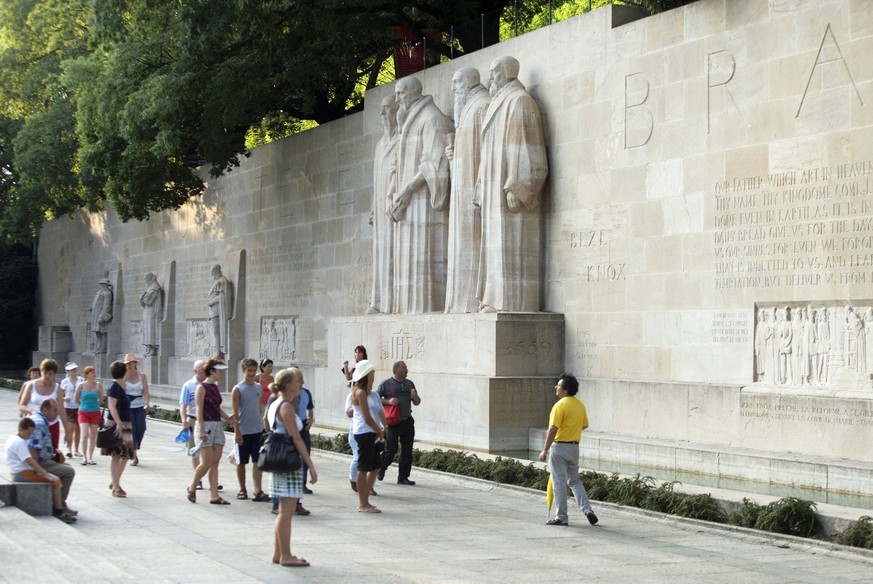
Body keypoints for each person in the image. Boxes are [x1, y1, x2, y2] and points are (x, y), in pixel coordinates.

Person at [477, 56, 549, 313]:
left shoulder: (520, 101)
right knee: (496, 245)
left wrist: (518, 185)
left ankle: (512, 303)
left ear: (507, 73)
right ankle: (496, 299)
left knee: (512, 243)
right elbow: (487, 153)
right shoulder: (499, 104)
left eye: (494, 73)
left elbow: (528, 145)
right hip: (494, 189)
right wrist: (481, 187)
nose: (490, 79)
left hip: (510, 190)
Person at [389, 75, 453, 314]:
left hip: (423, 204)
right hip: (408, 203)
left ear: (415, 93)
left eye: (401, 93)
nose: (397, 99)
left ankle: (424, 309)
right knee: (408, 261)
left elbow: (433, 164)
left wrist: (406, 190)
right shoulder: (409, 122)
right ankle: (406, 311)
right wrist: (393, 194)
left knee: (423, 258)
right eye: (396, 94)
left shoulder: (432, 118)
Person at [445, 66, 490, 314]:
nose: (452, 88)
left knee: (473, 243)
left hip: (474, 194)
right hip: (461, 194)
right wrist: (453, 157)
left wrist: (480, 186)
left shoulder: (482, 105)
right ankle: (461, 302)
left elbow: (489, 150)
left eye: (456, 82)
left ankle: (474, 299)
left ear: (469, 82)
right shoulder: (465, 111)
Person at [266, 367, 317, 567]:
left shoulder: (276, 403)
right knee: (286, 512)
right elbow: (296, 437)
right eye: (297, 381)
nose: (300, 384)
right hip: (287, 460)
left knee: (283, 511)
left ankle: (279, 553)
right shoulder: (285, 406)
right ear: (288, 385)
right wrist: (310, 465)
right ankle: (285, 555)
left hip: (281, 460)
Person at [538, 373, 598, 527]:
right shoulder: (580, 405)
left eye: (558, 385)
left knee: (559, 483)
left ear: (565, 390)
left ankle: (561, 517)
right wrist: (572, 430)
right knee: (575, 481)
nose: (556, 387)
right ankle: (587, 510)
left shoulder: (560, 405)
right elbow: (584, 425)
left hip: (559, 447)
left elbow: (552, 429)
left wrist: (544, 450)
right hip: (574, 448)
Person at [6, 417, 75, 523]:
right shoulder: (19, 442)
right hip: (22, 473)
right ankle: (59, 510)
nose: (29, 436)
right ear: (21, 429)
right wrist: (45, 474)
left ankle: (55, 506)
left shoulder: (14, 438)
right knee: (56, 481)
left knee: (55, 478)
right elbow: (30, 460)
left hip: (21, 471)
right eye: (28, 433)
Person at [367, 96, 400, 315]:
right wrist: (372, 207)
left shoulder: (402, 138)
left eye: (386, 109)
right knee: (379, 255)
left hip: (393, 205)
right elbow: (375, 178)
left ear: (396, 112)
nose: (382, 114)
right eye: (381, 110)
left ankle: (391, 303)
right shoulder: (380, 144)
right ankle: (377, 302)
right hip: (379, 208)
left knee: (391, 254)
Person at [187, 359, 235, 505]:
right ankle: (193, 486)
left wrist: (227, 417)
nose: (222, 373)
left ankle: (214, 495)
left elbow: (215, 407)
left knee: (215, 462)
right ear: (212, 371)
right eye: (219, 370)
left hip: (217, 425)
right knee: (206, 461)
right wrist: (201, 430)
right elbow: (199, 410)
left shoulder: (214, 387)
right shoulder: (201, 388)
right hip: (204, 426)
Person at [27, 399, 77, 517]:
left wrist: (54, 455)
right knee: (69, 472)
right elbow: (33, 449)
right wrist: (39, 471)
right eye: (55, 410)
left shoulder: (42, 421)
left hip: (44, 460)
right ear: (45, 410)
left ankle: (60, 503)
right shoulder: (39, 424)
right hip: (40, 464)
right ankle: (58, 506)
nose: (57, 413)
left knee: (66, 467)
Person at [231, 358, 269, 502]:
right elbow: (235, 412)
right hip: (243, 430)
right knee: (241, 462)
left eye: (254, 370)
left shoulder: (258, 387)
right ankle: (242, 488)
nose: (252, 373)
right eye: (249, 371)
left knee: (258, 461)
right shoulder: (238, 389)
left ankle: (258, 489)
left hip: (257, 430)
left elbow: (259, 407)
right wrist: (237, 431)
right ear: (243, 371)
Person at [377, 360, 421, 485]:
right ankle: (381, 468)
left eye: (406, 368)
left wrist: (414, 396)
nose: (406, 370)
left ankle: (403, 477)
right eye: (403, 368)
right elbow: (375, 400)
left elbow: (417, 402)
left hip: (407, 421)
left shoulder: (409, 384)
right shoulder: (386, 384)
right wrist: (389, 401)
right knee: (390, 449)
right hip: (393, 422)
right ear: (396, 370)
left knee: (407, 451)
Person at [350, 360, 384, 512]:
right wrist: (379, 430)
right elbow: (367, 418)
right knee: (363, 468)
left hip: (368, 433)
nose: (373, 375)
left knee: (376, 465)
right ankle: (363, 503)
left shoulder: (366, 391)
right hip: (364, 432)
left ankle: (366, 498)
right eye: (371, 373)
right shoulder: (360, 392)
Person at [19, 358, 68, 451]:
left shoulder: (57, 388)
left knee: (52, 453)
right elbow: (22, 405)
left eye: (50, 374)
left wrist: (67, 432)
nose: (47, 376)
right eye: (45, 372)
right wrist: (31, 411)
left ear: (54, 374)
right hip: (34, 424)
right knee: (33, 451)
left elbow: (61, 410)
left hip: (52, 425)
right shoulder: (31, 385)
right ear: (41, 371)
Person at [104, 360, 135, 498]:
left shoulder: (122, 386)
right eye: (127, 369)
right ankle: (116, 487)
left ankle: (114, 480)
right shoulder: (114, 387)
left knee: (127, 455)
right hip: (118, 425)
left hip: (126, 424)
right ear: (124, 372)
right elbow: (111, 406)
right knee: (116, 455)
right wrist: (118, 423)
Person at [74, 366, 104, 465]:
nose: (94, 374)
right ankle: (84, 457)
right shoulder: (81, 385)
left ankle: (90, 457)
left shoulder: (99, 385)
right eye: (92, 373)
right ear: (86, 375)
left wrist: (96, 405)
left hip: (95, 412)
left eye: (94, 372)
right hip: (83, 412)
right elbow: (76, 399)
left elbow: (101, 399)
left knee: (92, 435)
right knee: (84, 434)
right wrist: (83, 405)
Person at [122, 353, 149, 465]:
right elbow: (121, 391)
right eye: (126, 363)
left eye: (130, 363)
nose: (128, 365)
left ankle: (136, 447)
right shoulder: (123, 377)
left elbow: (146, 392)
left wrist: (147, 403)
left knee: (141, 429)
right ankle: (134, 455)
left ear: (134, 363)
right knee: (131, 430)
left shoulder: (142, 376)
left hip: (139, 405)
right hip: (128, 406)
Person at [206, 264, 232, 358]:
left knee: (216, 331)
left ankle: (219, 352)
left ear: (217, 271)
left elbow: (222, 296)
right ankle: (217, 350)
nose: (211, 273)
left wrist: (211, 302)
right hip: (213, 310)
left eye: (213, 271)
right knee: (215, 331)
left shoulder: (222, 281)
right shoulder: (216, 281)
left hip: (217, 309)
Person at [296, 378, 315, 496]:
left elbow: (310, 408)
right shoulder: (286, 394)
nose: (302, 381)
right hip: (290, 426)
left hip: (303, 425)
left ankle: (302, 483)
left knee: (305, 454)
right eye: (299, 379)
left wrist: (310, 420)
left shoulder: (306, 392)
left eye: (303, 379)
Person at [60, 362, 83, 458]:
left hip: (79, 406)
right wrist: (65, 398)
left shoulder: (81, 380)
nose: (74, 371)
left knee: (78, 428)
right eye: (72, 370)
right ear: (68, 372)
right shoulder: (64, 382)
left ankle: (77, 450)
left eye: (75, 370)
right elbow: (60, 396)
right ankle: (69, 449)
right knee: (70, 428)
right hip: (68, 407)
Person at [140, 272, 162, 356]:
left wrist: (143, 296)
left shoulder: (155, 288)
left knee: (151, 331)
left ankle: (152, 348)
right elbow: (144, 303)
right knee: (147, 330)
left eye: (146, 279)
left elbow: (148, 301)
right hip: (148, 312)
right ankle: (148, 348)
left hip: (153, 312)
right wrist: (142, 297)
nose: (145, 281)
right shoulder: (150, 288)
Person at [90, 278, 113, 353]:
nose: (101, 285)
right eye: (100, 284)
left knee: (102, 331)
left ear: (105, 285)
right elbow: (96, 303)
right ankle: (98, 347)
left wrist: (102, 316)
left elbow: (107, 305)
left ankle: (103, 348)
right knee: (97, 331)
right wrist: (92, 308)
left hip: (101, 314)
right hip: (95, 314)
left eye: (102, 284)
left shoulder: (107, 293)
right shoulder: (99, 292)